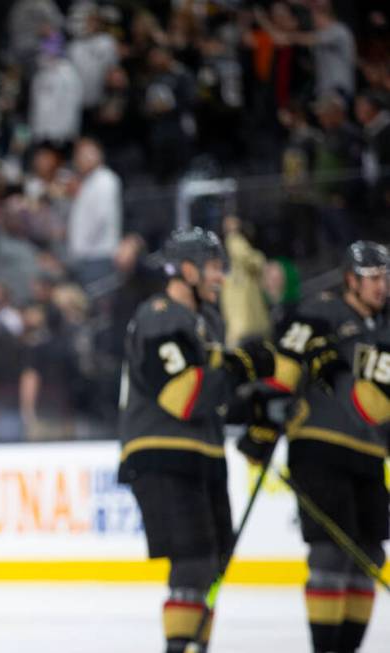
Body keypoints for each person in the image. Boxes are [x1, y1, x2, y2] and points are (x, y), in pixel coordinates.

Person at [117, 227, 275, 653]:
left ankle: (193, 646)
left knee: (211, 563)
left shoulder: (203, 323)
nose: (220, 276)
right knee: (193, 562)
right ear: (186, 270)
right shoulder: (160, 315)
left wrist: (255, 404)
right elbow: (184, 396)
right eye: (212, 267)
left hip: (202, 454)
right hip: (162, 454)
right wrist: (242, 368)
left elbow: (214, 394)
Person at [239, 241, 389, 653]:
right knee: (330, 555)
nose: (381, 286)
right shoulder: (320, 312)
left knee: (369, 556)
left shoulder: (385, 329)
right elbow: (284, 367)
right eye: (372, 278)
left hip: (371, 454)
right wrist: (263, 423)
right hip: (319, 448)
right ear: (350, 280)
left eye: (384, 277)